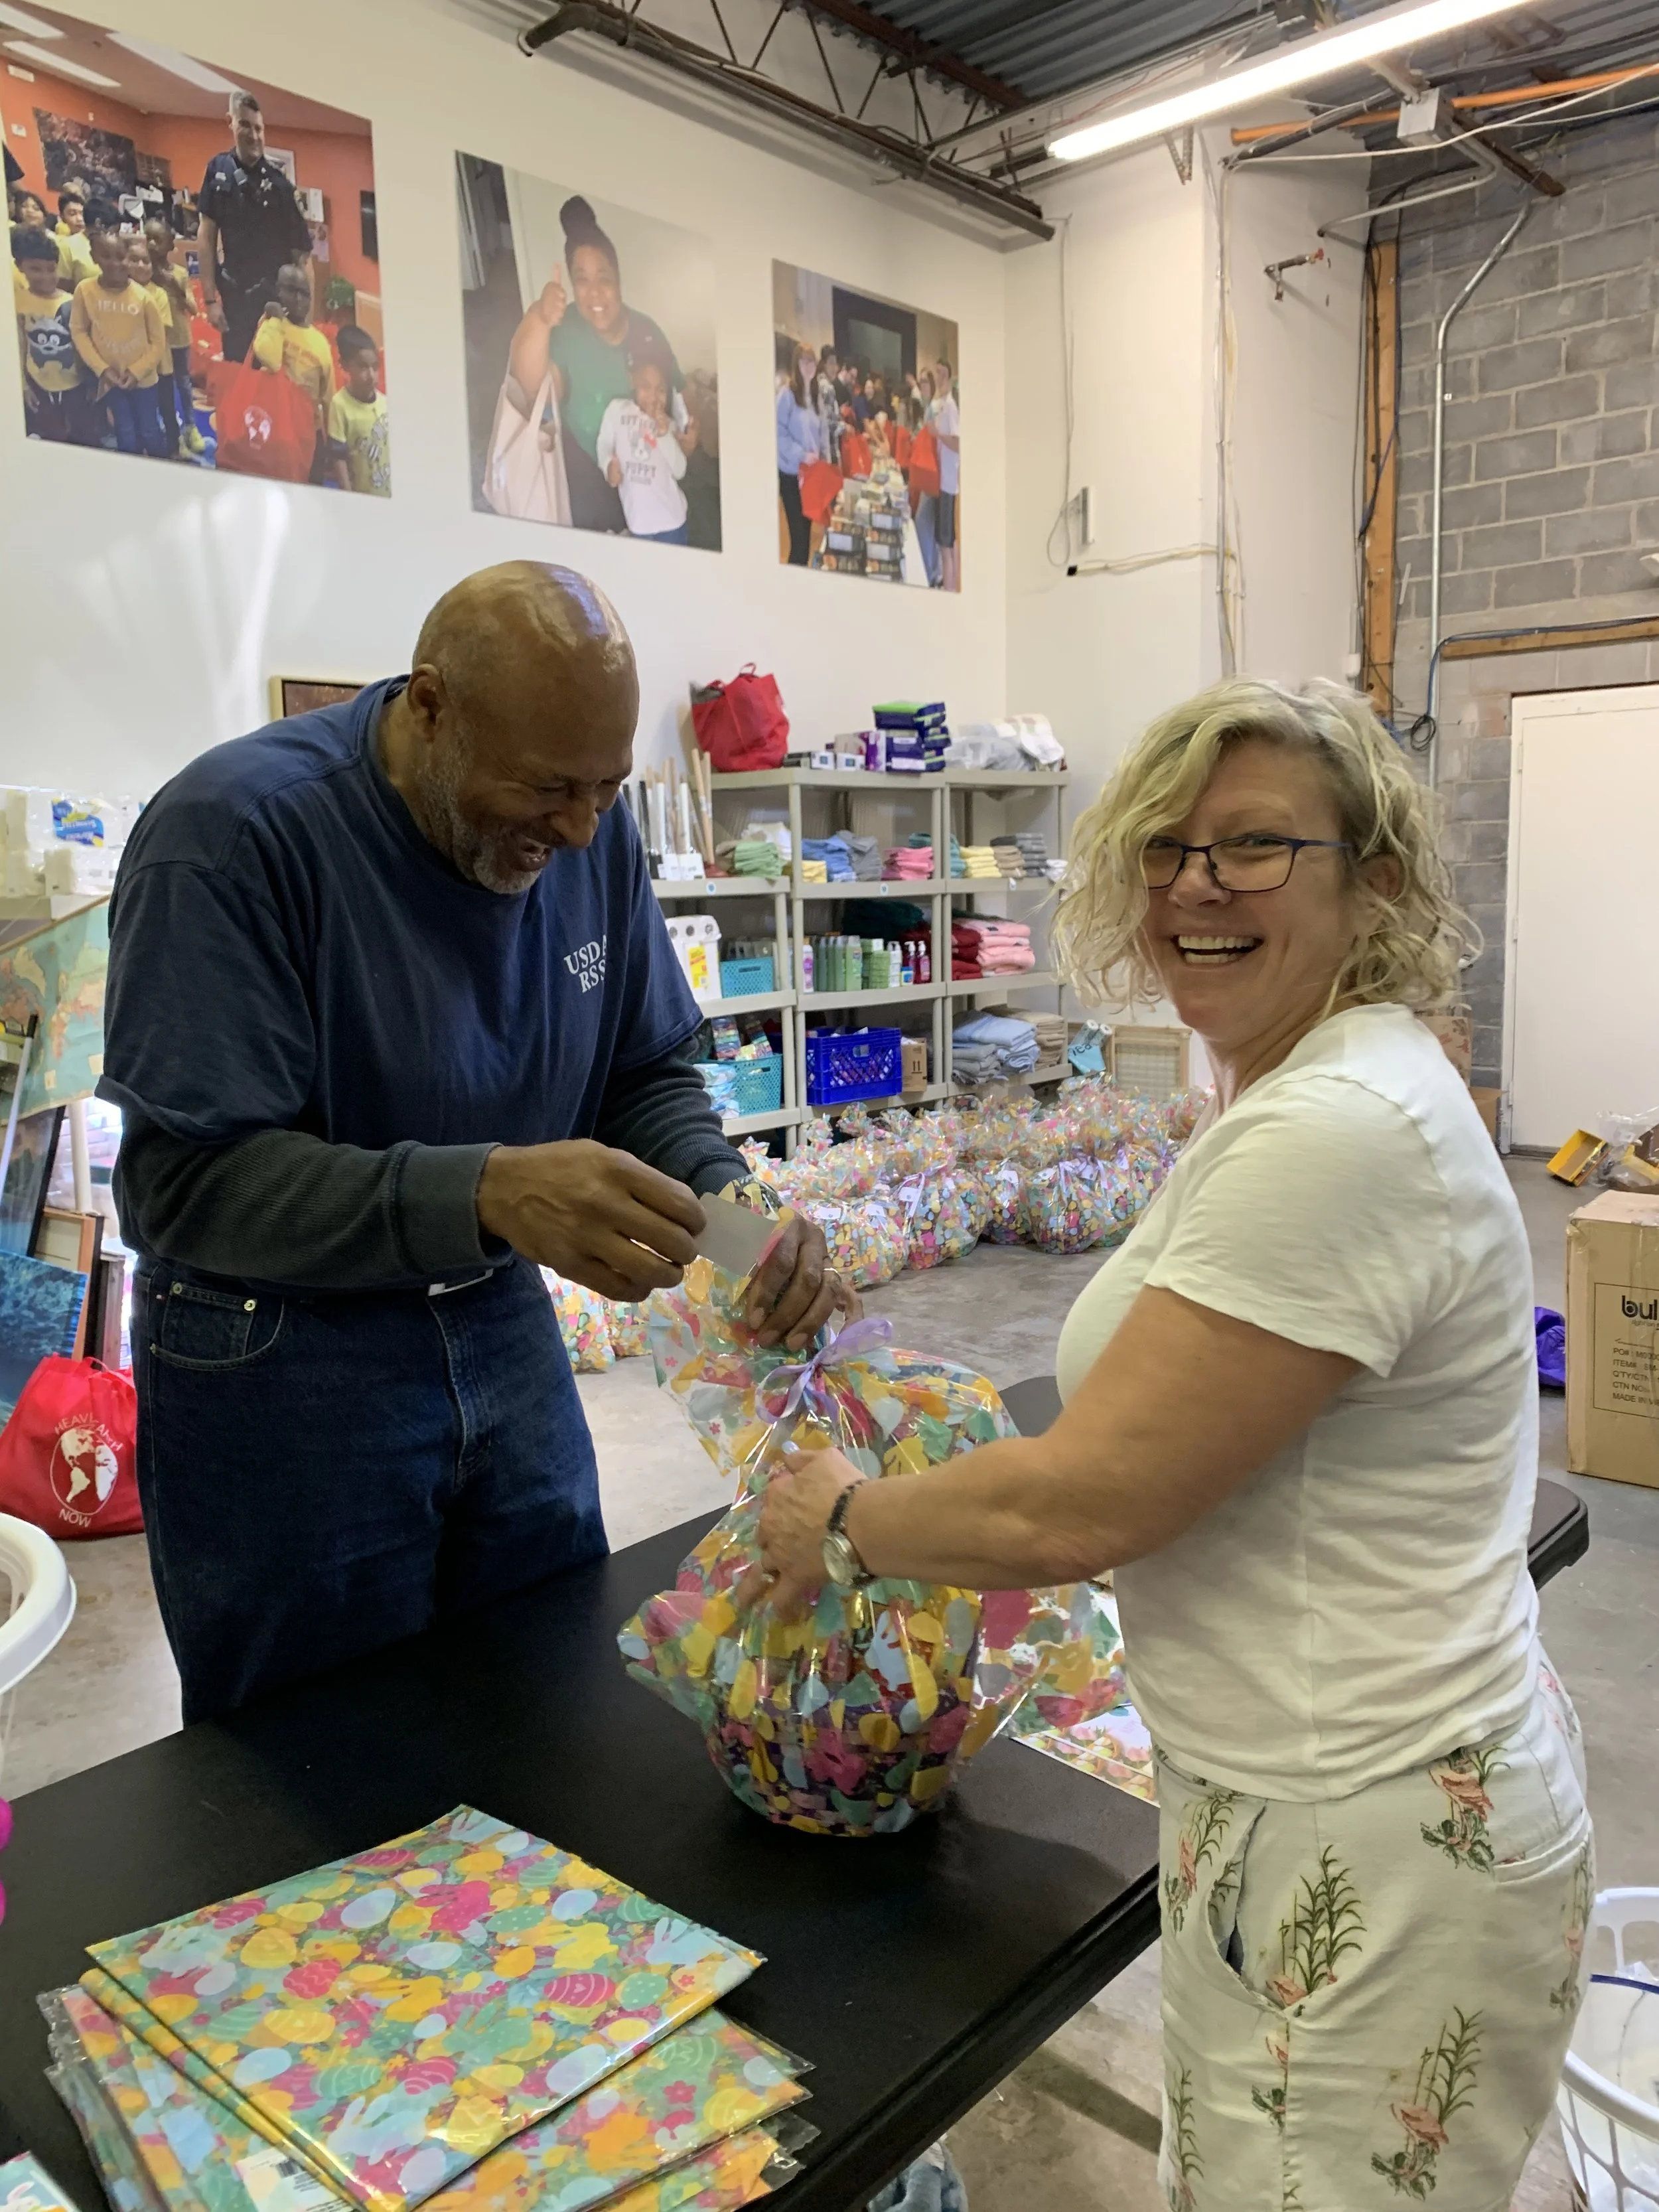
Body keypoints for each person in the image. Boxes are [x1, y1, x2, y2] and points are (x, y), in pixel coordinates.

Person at [755, 678, 1593, 2212]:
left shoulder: (1336, 1134)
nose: (1196, 885)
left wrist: (851, 1516)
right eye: (1167, 846)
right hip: (1306, 1786)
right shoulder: (1299, 1091)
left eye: (1257, 846)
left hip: (1372, 1827)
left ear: (1377, 881)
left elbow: (1085, 1501)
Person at [100, 561, 846, 1726]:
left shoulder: (589, 826)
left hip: (496, 1319)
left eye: (607, 789)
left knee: (546, 1699)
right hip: (279, 1352)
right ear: (431, 705)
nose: (580, 828)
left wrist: (726, 1199)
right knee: (316, 1762)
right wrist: (486, 1190)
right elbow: (183, 1184)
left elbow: (643, 1068)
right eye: (549, 786)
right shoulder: (234, 838)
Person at [506, 194, 684, 534]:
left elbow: (677, 401)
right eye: (582, 280)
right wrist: (539, 319)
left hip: (652, 484)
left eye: (604, 278)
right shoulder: (567, 331)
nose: (594, 293)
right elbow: (532, 391)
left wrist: (686, 438)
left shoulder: (649, 332)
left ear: (619, 279)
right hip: (591, 480)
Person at [196, 92, 313, 364]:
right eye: (245, 125)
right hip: (234, 298)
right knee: (237, 375)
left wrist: (306, 322)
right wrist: (211, 300)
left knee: (272, 377)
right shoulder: (217, 170)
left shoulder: (281, 187)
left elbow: (303, 257)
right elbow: (206, 235)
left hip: (274, 302)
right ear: (231, 122)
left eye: (259, 128)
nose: (254, 135)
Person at [69, 224, 167, 458]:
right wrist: (102, 369)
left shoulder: (144, 298)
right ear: (94, 258)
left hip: (143, 381)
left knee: (150, 429)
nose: (115, 263)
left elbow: (158, 342)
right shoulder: (85, 291)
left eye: (121, 257)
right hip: (110, 380)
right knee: (125, 432)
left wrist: (136, 372)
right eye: (106, 256)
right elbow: (79, 331)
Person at [596, 340, 689, 546]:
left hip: (672, 523)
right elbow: (603, 443)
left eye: (661, 389)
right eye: (645, 386)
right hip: (638, 524)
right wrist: (608, 464)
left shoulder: (669, 425)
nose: (654, 397)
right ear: (632, 381)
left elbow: (680, 471)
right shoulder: (617, 411)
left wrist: (664, 435)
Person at [252, 259, 333, 477]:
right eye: (291, 291)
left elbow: (328, 398)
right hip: (275, 424)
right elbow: (270, 358)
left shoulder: (320, 343)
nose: (298, 299)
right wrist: (276, 320)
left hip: (307, 430)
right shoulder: (272, 324)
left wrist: (332, 442)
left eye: (304, 294)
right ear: (278, 291)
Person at [12, 224, 86, 443]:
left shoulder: (71, 302)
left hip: (75, 384)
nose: (45, 276)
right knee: (51, 436)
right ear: (20, 266)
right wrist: (23, 387)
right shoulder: (18, 302)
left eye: (51, 269)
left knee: (82, 435)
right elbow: (19, 347)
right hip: (38, 384)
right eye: (36, 269)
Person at [144, 217, 204, 459]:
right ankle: (167, 430)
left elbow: (193, 308)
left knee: (184, 384)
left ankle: (190, 427)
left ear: (170, 245)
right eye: (147, 238)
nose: (151, 244)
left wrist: (175, 287)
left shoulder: (179, 273)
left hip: (179, 338)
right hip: (154, 341)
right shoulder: (143, 273)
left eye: (158, 240)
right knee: (159, 387)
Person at [327, 323, 390, 496]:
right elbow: (338, 457)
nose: (371, 375)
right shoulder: (340, 405)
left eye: (375, 367)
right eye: (363, 367)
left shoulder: (385, 403)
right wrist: (348, 495)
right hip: (362, 496)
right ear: (345, 366)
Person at [775, 341, 819, 567]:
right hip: (791, 474)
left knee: (807, 538)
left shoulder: (813, 395)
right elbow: (778, 433)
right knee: (799, 540)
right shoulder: (787, 395)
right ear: (797, 364)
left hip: (810, 477)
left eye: (812, 361)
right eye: (804, 360)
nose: (809, 365)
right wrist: (801, 454)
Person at [931, 357, 960, 591]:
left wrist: (938, 436)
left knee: (947, 543)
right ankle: (946, 585)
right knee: (944, 541)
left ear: (948, 377)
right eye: (936, 373)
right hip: (941, 480)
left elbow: (958, 443)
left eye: (942, 374)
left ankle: (950, 591)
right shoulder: (940, 405)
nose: (938, 378)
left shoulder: (950, 406)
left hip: (949, 482)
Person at [54, 188, 96, 289]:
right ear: (62, 217)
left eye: (82, 214)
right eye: (72, 214)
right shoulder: (61, 243)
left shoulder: (96, 239)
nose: (79, 219)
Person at [814, 344, 842, 465]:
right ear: (823, 365)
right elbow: (830, 425)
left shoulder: (817, 382)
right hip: (829, 450)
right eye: (831, 363)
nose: (835, 368)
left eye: (835, 364)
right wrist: (845, 427)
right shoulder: (828, 388)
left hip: (818, 449)